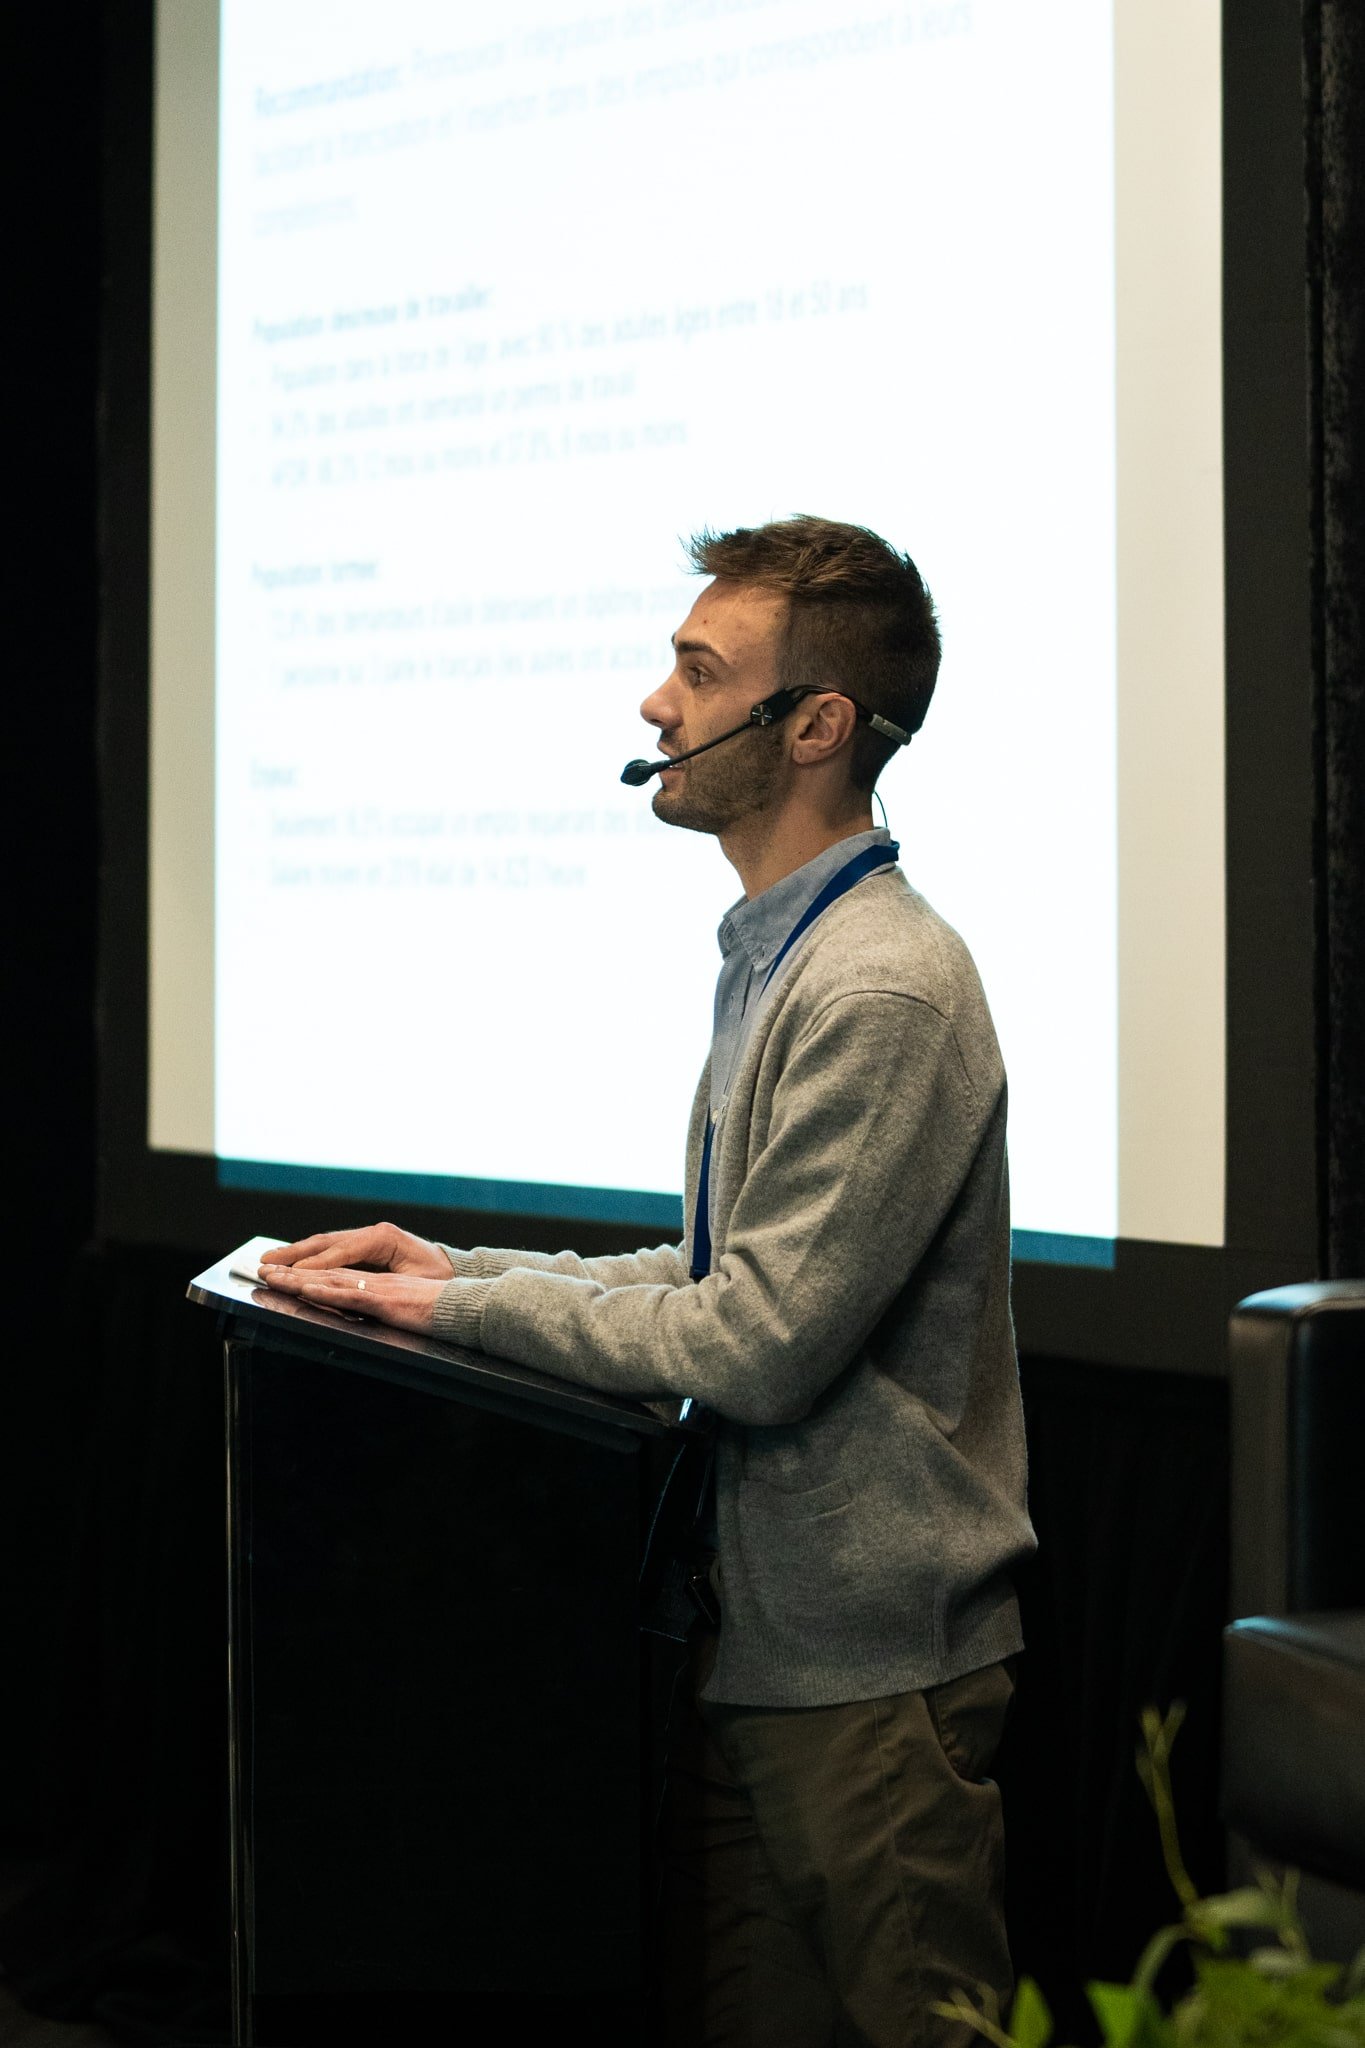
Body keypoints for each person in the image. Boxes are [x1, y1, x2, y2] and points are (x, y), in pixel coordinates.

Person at [259, 514, 1037, 2046]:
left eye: (697, 670)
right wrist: (452, 1264)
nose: (654, 703)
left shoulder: (877, 984)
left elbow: (753, 1342)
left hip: (865, 1676)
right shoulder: (781, 953)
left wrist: (449, 1312)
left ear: (812, 726)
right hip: (768, 1649)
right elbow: (713, 1270)